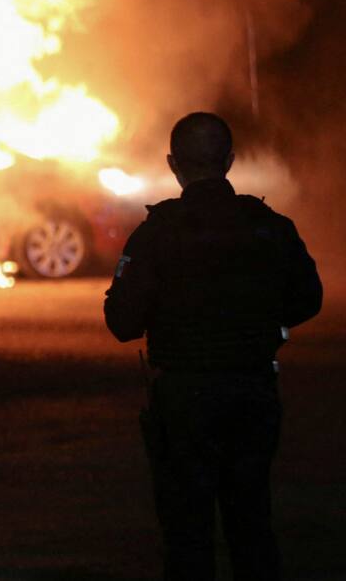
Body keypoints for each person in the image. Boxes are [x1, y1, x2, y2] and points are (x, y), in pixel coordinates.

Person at [104, 112, 323, 580]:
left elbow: (122, 322)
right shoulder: (269, 226)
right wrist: (263, 320)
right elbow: (308, 299)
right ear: (229, 161)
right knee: (252, 525)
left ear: (173, 164)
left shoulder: (156, 234)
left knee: (188, 534)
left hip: (184, 399)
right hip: (252, 391)